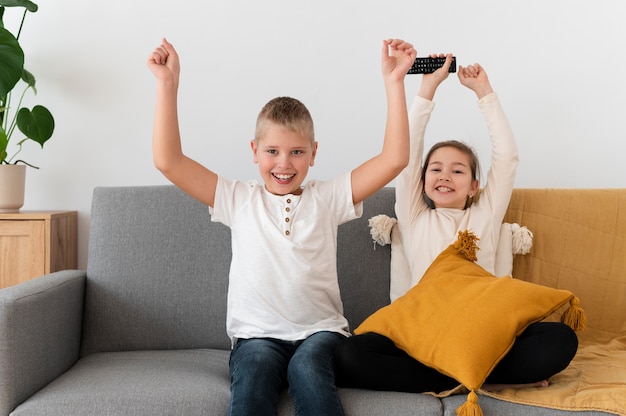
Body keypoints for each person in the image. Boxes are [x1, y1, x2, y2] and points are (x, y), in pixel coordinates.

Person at [147, 38, 417, 416]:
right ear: (254, 151)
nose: (283, 164)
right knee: (254, 375)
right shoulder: (237, 199)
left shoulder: (329, 197)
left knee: (306, 368)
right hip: (257, 337)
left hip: (321, 333)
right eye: (272, 151)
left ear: (313, 153)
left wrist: (394, 83)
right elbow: (168, 160)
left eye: (296, 152)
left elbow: (394, 159)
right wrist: (167, 84)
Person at [334, 54, 579, 394]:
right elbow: (405, 157)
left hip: (481, 331)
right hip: (421, 334)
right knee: (349, 355)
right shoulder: (415, 215)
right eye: (435, 169)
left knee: (560, 339)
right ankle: (470, 376)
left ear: (474, 186)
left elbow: (507, 158)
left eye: (458, 170)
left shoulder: (485, 215)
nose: (445, 175)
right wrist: (427, 91)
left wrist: (484, 93)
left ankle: (464, 369)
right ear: (422, 181)